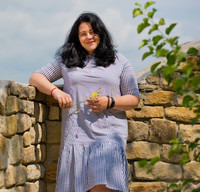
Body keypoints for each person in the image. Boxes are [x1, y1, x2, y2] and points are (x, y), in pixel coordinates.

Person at [29, 12, 140, 192]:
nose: (89, 36)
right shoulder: (66, 61)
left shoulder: (119, 61)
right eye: (83, 33)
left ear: (101, 33)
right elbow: (36, 77)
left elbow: (134, 99)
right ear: (77, 37)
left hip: (108, 138)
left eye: (93, 32)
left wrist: (109, 102)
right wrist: (56, 91)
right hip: (76, 138)